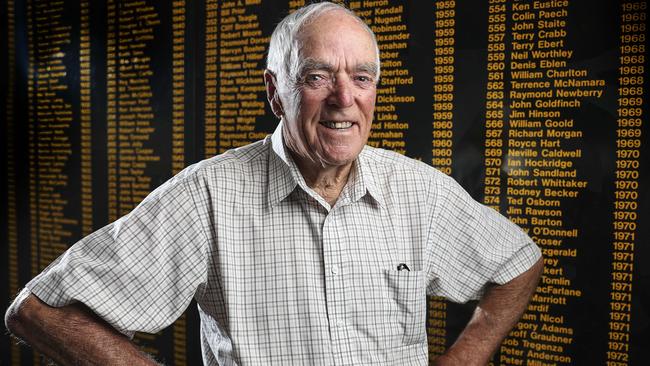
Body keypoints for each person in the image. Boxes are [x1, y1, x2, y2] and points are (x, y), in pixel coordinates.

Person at [5, 2, 543, 365]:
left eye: (361, 77)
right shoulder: (207, 197)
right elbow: (37, 311)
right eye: (316, 76)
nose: (343, 97)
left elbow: (517, 261)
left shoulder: (419, 192)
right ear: (275, 91)